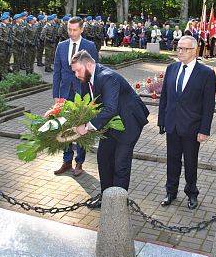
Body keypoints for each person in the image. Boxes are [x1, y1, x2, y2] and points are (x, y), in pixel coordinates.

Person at [72, 50, 149, 206]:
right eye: (74, 72)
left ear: (88, 65)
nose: (76, 75)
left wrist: (86, 126)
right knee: (104, 158)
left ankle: (117, 205)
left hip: (129, 122)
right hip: (111, 122)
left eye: (77, 70)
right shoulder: (86, 79)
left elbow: (110, 109)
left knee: (120, 163)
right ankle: (106, 197)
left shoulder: (107, 77)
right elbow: (88, 106)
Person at [157, 35, 216, 210]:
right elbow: (165, 98)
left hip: (192, 127)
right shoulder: (172, 68)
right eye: (178, 47)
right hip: (172, 125)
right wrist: (162, 121)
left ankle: (191, 193)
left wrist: (204, 129)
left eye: (184, 48)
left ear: (194, 50)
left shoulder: (206, 73)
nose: (179, 51)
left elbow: (208, 105)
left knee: (191, 162)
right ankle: (171, 192)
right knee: (172, 160)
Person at [52, 16, 99, 176]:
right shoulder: (61, 46)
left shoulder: (90, 46)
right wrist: (56, 96)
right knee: (64, 126)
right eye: (69, 30)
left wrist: (93, 97)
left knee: (81, 127)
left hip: (83, 93)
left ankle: (79, 162)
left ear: (81, 29)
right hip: (65, 93)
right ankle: (67, 161)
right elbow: (57, 71)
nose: (71, 33)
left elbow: (94, 73)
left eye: (75, 30)